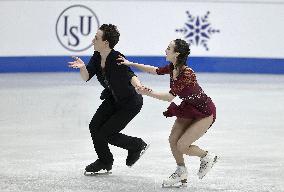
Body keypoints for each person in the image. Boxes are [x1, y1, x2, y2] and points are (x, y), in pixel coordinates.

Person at [117, 39, 218, 187]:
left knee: (182, 145)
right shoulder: (172, 67)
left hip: (204, 111)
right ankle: (181, 171)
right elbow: (155, 70)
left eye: (169, 48)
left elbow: (170, 97)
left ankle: (207, 156)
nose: (165, 50)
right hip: (188, 108)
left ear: (176, 53)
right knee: (173, 140)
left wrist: (148, 93)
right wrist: (130, 63)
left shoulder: (187, 74)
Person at [68, 24, 149, 175]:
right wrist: (82, 67)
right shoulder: (97, 56)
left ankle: (137, 145)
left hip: (130, 103)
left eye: (96, 38)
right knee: (94, 126)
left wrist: (139, 86)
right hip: (113, 99)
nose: (93, 41)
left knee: (106, 133)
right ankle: (105, 161)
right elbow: (86, 77)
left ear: (106, 43)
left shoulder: (117, 58)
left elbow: (130, 75)